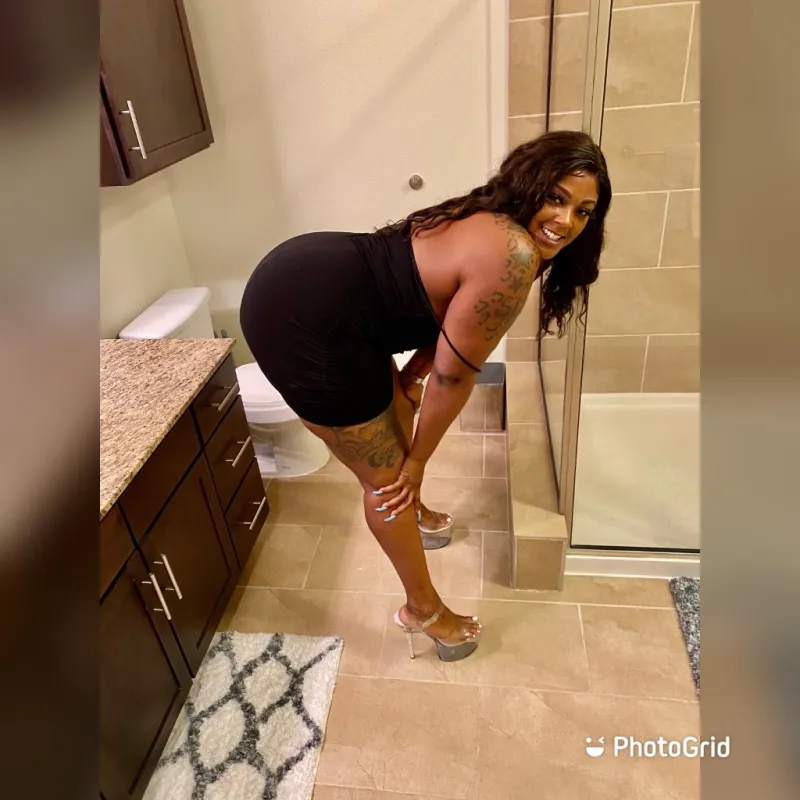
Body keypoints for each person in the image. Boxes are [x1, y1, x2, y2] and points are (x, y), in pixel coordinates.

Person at [240, 130, 612, 662]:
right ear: (529, 185)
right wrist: (414, 464)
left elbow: (446, 317)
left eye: (583, 211)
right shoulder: (512, 251)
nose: (566, 220)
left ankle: (412, 513)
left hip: (316, 277)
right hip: (304, 319)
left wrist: (409, 381)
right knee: (387, 482)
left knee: (397, 419)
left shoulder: (491, 215)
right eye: (555, 197)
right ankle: (424, 611)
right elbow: (453, 377)